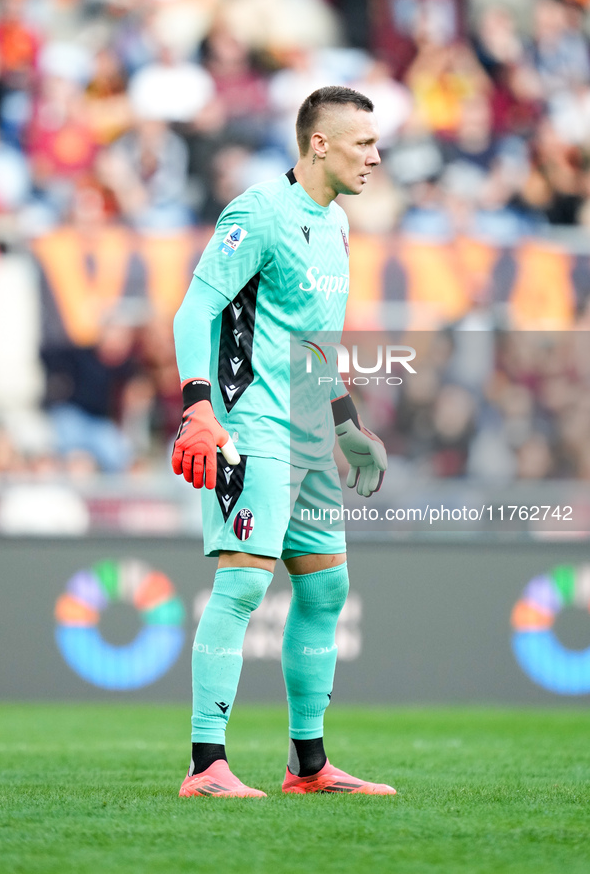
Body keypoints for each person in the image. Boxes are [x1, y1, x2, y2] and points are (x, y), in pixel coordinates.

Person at [172, 86, 395, 798]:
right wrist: (197, 409)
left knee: (326, 586)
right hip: (249, 428)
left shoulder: (336, 226)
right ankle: (206, 765)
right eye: (363, 142)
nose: (376, 155)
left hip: (304, 434)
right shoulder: (257, 213)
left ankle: (308, 765)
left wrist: (345, 425)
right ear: (319, 143)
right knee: (242, 583)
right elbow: (195, 308)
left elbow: (311, 346)